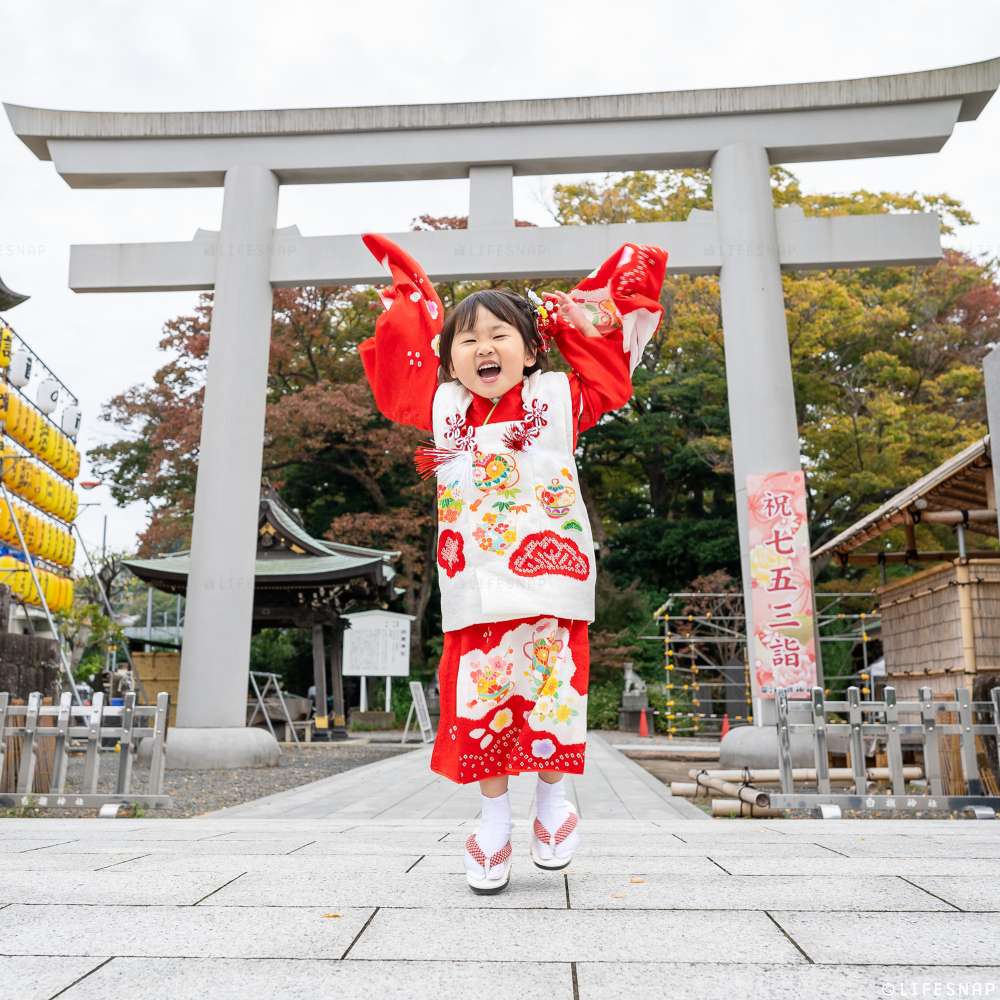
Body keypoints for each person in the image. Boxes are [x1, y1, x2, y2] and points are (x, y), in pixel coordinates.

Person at [358, 232, 668, 893]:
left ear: (531, 351)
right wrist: (411, 295)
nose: (483, 348)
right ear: (451, 360)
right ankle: (493, 816)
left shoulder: (558, 399)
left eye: (501, 334)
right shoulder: (444, 409)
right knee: (483, 705)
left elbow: (610, 376)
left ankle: (553, 802)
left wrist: (566, 318)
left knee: (550, 700)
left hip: (550, 584)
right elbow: (395, 383)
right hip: (475, 586)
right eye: (466, 340)